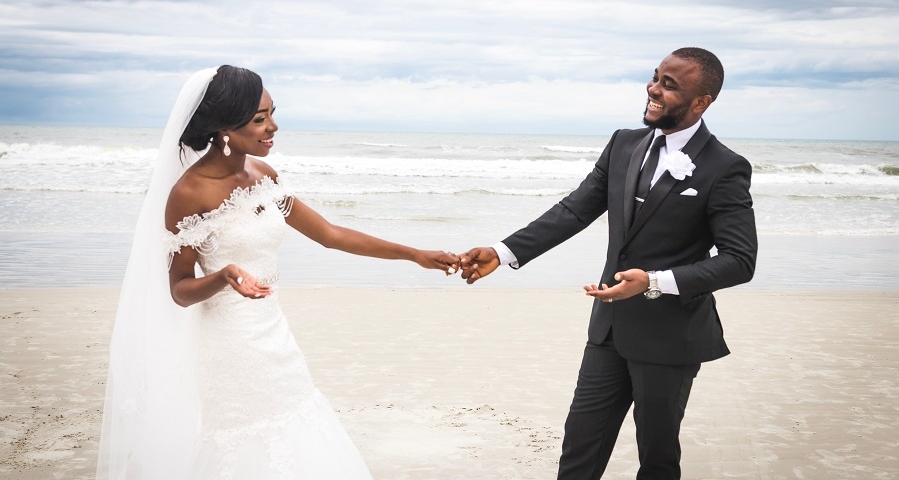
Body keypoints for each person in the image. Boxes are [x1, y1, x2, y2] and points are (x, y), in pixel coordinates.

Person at [96, 66, 458, 480]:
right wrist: (224, 276)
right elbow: (179, 289)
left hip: (274, 332)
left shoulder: (263, 176)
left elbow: (330, 234)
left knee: (297, 424)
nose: (273, 126)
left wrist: (414, 255)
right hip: (229, 344)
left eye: (272, 113)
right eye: (259, 119)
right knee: (243, 440)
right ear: (224, 128)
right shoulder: (189, 193)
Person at [458, 47, 757, 479]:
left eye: (669, 85)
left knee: (656, 458)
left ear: (701, 102)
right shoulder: (624, 143)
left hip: (670, 336)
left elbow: (739, 261)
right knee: (579, 446)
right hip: (608, 328)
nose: (654, 89)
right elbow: (575, 210)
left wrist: (654, 280)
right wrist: (503, 252)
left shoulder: (725, 167)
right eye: (655, 77)